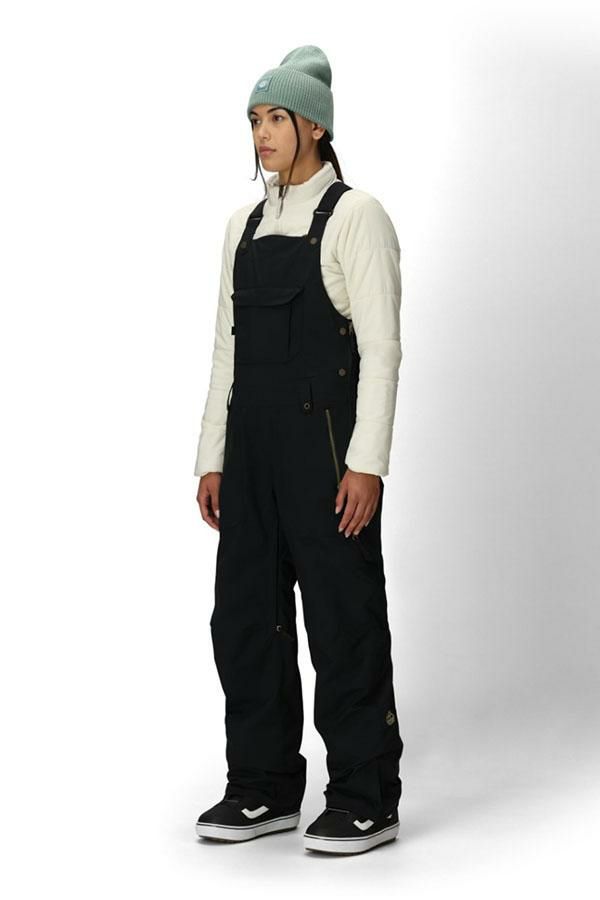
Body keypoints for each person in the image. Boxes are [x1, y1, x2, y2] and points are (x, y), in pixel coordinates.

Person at [193, 45, 404, 855]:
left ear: (314, 124)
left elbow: (381, 349)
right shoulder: (242, 227)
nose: (262, 133)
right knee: (245, 619)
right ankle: (263, 786)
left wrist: (367, 463)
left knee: (343, 620)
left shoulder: (355, 216)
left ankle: (365, 796)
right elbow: (226, 350)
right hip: (250, 455)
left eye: (276, 117)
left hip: (325, 454)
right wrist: (212, 457)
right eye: (254, 119)